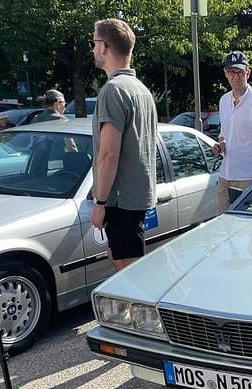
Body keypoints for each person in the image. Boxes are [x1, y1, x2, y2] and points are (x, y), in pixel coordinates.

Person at [89, 18, 157, 271]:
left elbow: (108, 154)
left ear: (104, 46)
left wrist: (99, 203)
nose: (93, 50)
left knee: (129, 273)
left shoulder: (113, 90)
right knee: (126, 263)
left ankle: (140, 313)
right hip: (136, 197)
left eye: (94, 43)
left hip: (120, 199)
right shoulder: (141, 89)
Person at [212, 50, 252, 213]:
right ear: (225, 74)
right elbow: (224, 134)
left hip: (250, 177)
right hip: (226, 175)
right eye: (231, 72)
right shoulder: (224, 100)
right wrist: (220, 145)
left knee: (249, 230)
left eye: (239, 72)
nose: (235, 76)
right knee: (222, 226)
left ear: (247, 73)